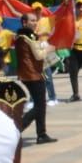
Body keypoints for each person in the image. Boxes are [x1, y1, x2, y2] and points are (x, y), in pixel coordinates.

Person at [15, 13, 56, 145]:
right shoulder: (28, 36)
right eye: (32, 20)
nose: (35, 23)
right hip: (33, 74)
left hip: (29, 74)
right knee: (39, 106)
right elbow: (38, 55)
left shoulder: (21, 36)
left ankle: (41, 134)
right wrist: (50, 49)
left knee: (40, 104)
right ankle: (17, 128)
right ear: (24, 22)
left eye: (35, 20)